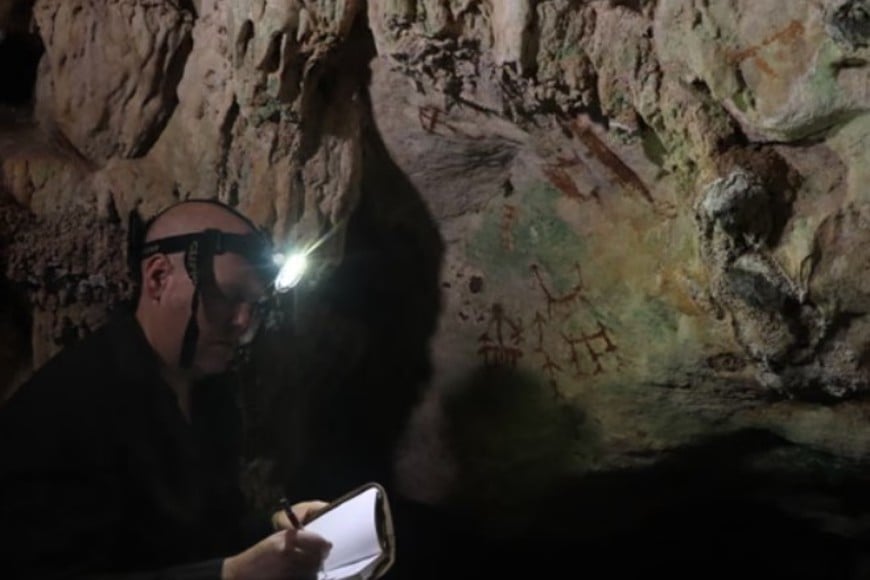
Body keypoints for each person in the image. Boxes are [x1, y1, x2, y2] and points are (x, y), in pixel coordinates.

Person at [0, 199, 332, 579]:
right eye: (227, 295)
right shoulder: (63, 411)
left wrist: (279, 527)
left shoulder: (213, 398)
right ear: (158, 277)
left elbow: (205, 539)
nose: (242, 321)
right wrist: (230, 575)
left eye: (253, 304)